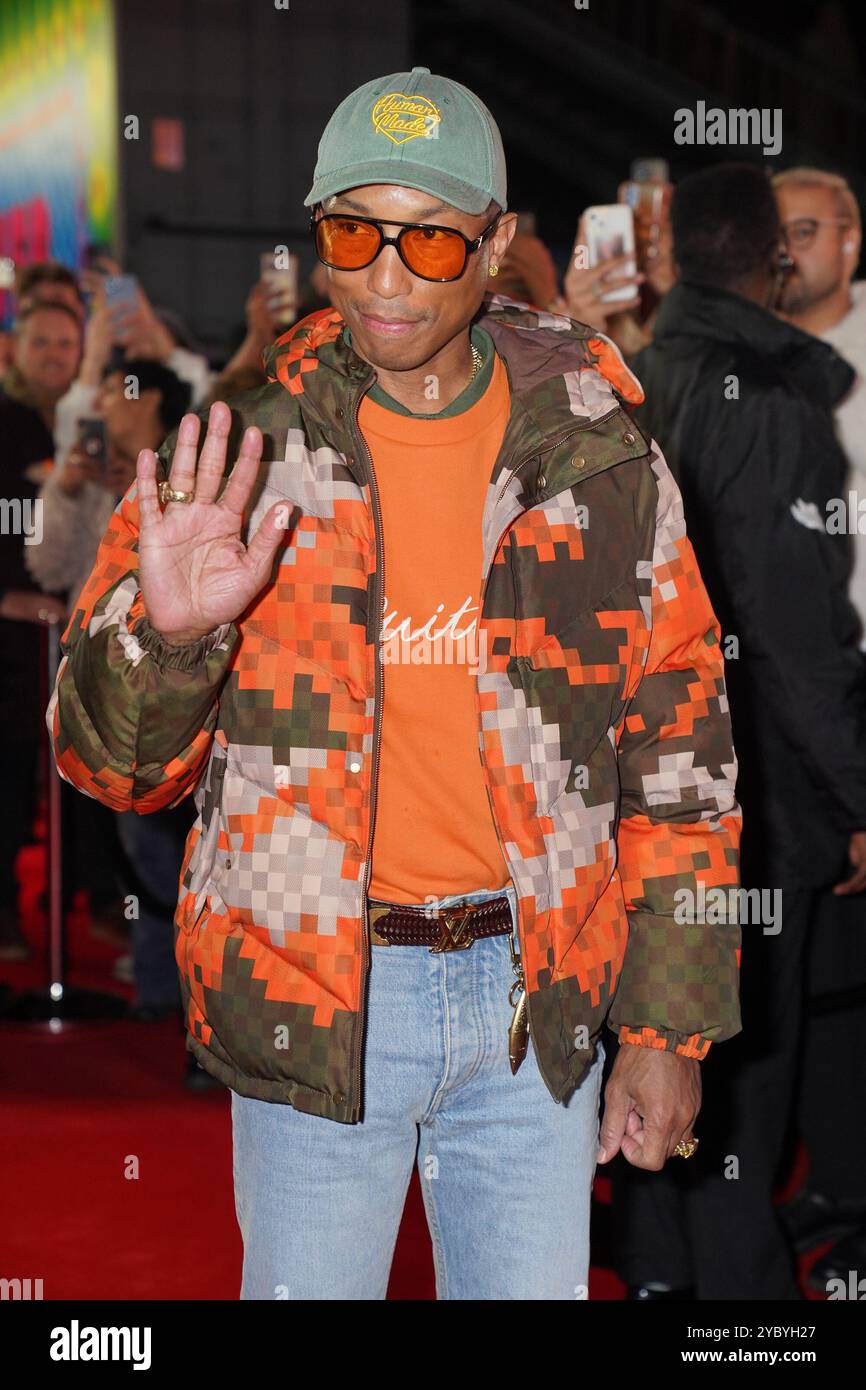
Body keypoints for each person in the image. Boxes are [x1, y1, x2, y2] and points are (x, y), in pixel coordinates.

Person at [46, 67, 741, 1300]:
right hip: (314, 993)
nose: (382, 276)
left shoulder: (594, 450)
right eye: (352, 233)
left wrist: (667, 1027)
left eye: (426, 240)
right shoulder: (243, 447)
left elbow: (677, 758)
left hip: (536, 1009)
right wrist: (166, 634)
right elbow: (114, 769)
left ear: (494, 245)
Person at [616, 162, 866, 1300]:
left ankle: (662, 1277)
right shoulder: (771, 407)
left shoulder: (621, 377)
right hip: (744, 807)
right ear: (770, 260)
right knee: (740, 1085)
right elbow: (802, 649)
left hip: (633, 796)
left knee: (658, 1062)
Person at [772, 167, 866, 1285]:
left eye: (808, 231)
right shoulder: (757, 363)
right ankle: (837, 1185)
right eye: (776, 234)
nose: (789, 251)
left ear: (851, 240)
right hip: (794, 693)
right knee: (819, 963)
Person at [2, 300, 82, 433]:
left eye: (65, 344)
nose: (54, 354)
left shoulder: (98, 410)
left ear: (80, 350)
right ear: (15, 347)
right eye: (40, 342)